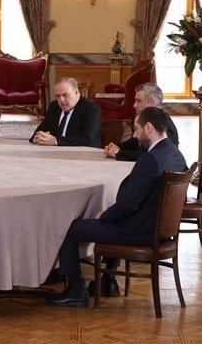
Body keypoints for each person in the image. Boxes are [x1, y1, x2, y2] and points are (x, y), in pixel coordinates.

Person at [44, 107, 187, 308]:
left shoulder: (151, 159)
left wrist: (105, 215)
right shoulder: (176, 154)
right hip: (161, 231)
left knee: (70, 229)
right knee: (111, 217)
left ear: (149, 127)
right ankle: (107, 282)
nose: (135, 135)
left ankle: (76, 291)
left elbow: (129, 204)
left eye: (137, 129)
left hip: (140, 231)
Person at [104, 83, 179, 161]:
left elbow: (149, 155)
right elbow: (134, 142)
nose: (134, 105)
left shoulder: (163, 124)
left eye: (138, 101)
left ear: (152, 102)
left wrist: (118, 152)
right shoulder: (146, 118)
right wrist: (116, 147)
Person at [30, 77, 102, 148]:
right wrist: (37, 138)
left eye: (65, 95)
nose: (61, 100)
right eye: (58, 96)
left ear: (76, 92)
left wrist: (55, 141)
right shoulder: (54, 106)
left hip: (84, 153)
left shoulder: (91, 109)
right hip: (55, 152)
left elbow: (87, 139)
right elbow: (39, 132)